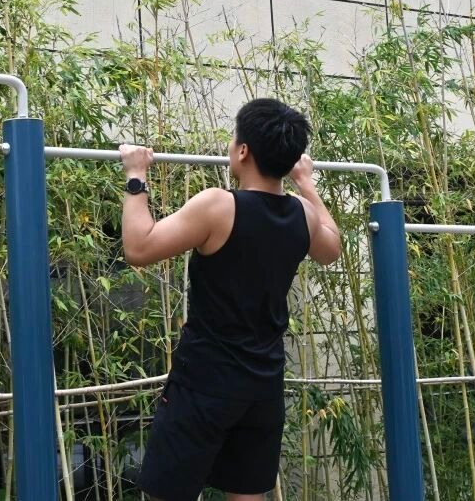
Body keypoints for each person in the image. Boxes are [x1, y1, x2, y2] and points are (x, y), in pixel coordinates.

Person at [118, 98, 342, 501]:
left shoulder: (219, 206)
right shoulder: (303, 214)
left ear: (243, 151)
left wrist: (136, 175)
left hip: (204, 382)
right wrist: (306, 184)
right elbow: (332, 250)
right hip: (263, 385)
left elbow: (138, 247)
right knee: (247, 496)